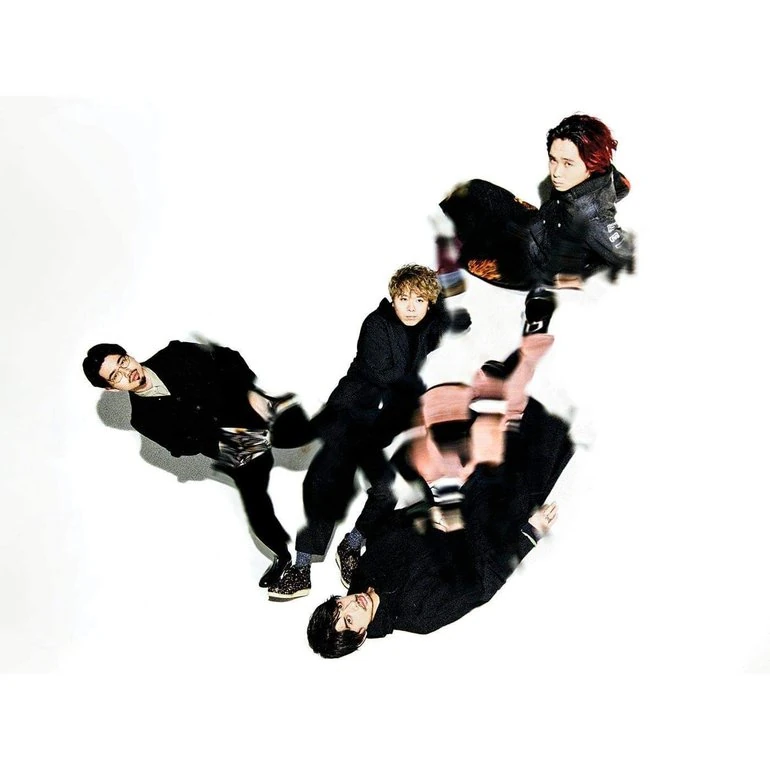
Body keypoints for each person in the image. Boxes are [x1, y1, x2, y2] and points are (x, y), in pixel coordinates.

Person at [306, 288, 572, 657]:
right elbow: (483, 584)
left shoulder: (364, 574)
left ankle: (524, 349)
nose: (351, 605)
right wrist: (530, 533)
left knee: (472, 413)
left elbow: (390, 524)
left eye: (339, 605)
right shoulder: (419, 616)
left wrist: (424, 516)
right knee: (514, 421)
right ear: (361, 636)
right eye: (350, 620)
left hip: (459, 492)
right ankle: (530, 344)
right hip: (491, 519)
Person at [267, 264, 470, 600]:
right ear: (392, 299)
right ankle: (301, 569)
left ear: (428, 303)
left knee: (388, 491)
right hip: (351, 414)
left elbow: (459, 320)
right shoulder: (376, 324)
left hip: (384, 424)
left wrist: (443, 286)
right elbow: (383, 374)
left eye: (419, 300)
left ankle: (351, 545)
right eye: (403, 299)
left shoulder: (427, 324)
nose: (410, 307)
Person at [82, 339, 314, 588]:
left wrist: (250, 392)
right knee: (256, 508)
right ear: (112, 389)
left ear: (127, 355)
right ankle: (282, 557)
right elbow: (182, 446)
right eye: (116, 376)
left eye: (123, 362)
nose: (128, 372)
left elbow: (228, 357)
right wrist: (225, 442)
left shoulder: (175, 353)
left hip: (253, 410)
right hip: (231, 447)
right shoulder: (141, 419)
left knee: (309, 433)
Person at [435, 113, 635, 292]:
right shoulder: (604, 171)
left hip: (526, 264)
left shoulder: (593, 219)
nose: (556, 173)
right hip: (535, 223)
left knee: (469, 252)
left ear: (592, 164)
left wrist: (580, 273)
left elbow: (626, 255)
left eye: (568, 163)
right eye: (553, 159)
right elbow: (621, 185)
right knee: (474, 189)